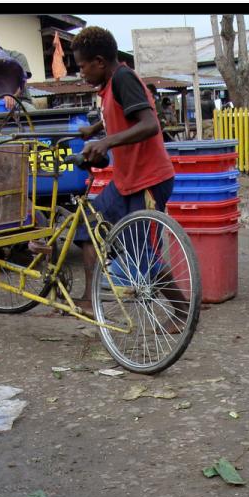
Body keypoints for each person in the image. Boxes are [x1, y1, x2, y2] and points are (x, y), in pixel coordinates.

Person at [70, 26, 186, 329]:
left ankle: (183, 309)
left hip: (148, 180)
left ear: (99, 61)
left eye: (82, 66)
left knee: (141, 256)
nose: (80, 72)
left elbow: (149, 124)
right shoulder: (110, 84)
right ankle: (88, 299)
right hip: (125, 180)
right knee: (87, 226)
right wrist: (94, 131)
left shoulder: (123, 78)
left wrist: (105, 142)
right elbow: (118, 114)